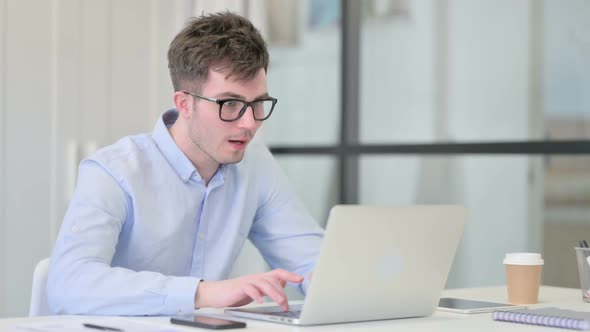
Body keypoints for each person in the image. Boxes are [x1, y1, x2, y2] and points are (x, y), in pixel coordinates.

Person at [47, 11, 324, 316]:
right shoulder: (115, 171)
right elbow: (68, 286)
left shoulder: (256, 166)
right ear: (184, 104)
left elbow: (314, 264)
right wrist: (203, 292)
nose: (249, 123)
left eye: (258, 103)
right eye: (230, 103)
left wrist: (342, 286)